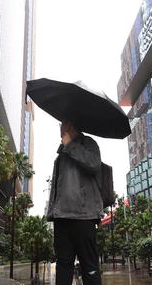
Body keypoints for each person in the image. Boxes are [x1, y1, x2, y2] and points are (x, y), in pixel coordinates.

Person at [47, 120, 103, 285]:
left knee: (89, 266)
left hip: (83, 216)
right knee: (63, 265)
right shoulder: (62, 154)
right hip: (61, 217)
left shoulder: (88, 143)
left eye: (63, 124)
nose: (60, 127)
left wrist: (70, 144)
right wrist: (53, 213)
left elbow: (94, 164)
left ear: (71, 126)